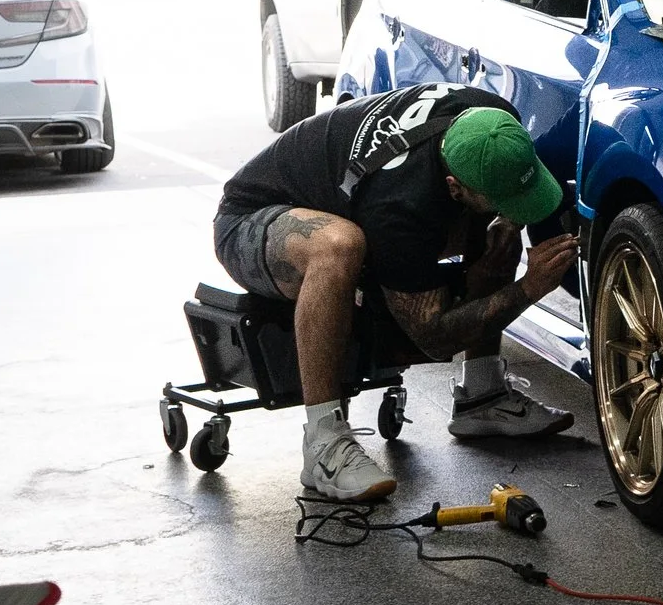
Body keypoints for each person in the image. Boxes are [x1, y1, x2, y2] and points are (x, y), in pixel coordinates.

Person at [213, 81, 583, 502]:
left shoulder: (494, 121)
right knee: (339, 246)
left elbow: (516, 199)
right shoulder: (399, 208)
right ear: (453, 186)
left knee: (498, 235)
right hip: (250, 220)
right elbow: (433, 336)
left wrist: (516, 226)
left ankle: (483, 396)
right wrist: (528, 288)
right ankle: (323, 442)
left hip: (380, 196)